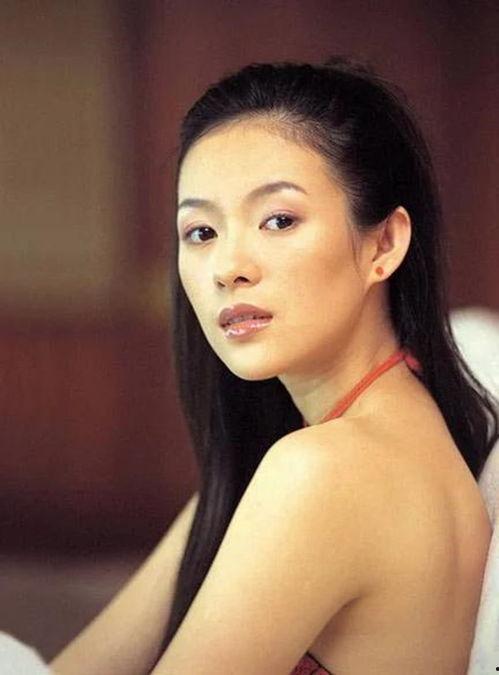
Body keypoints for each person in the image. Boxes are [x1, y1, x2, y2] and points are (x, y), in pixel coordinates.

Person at [50, 57, 499, 674]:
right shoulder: (384, 432)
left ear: (384, 243)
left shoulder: (324, 471)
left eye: (279, 220)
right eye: (201, 232)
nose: (228, 267)